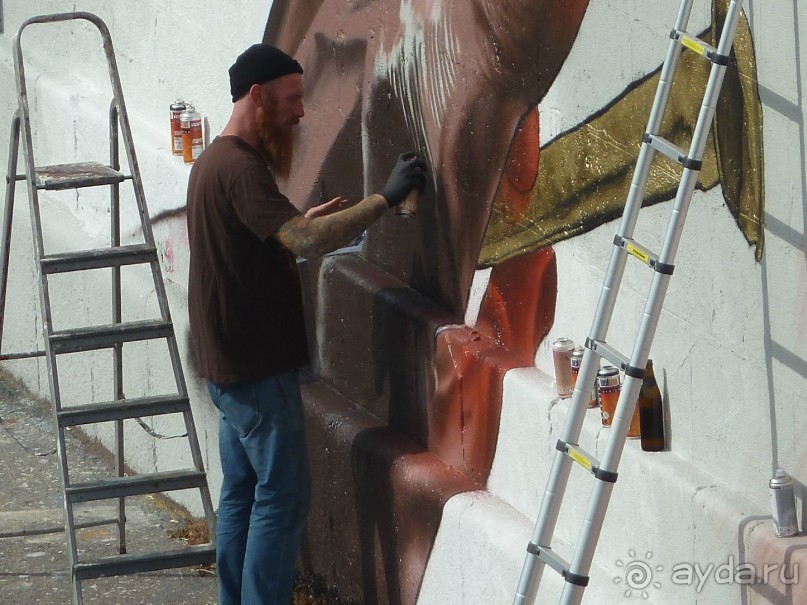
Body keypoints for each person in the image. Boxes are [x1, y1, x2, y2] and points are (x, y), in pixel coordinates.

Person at [185, 43, 427, 605]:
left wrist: (295, 230)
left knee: (243, 494)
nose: (300, 111)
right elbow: (306, 241)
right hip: (255, 369)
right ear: (256, 95)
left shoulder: (215, 162)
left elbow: (266, 243)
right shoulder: (241, 169)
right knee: (283, 497)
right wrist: (383, 199)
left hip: (229, 366)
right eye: (291, 98)